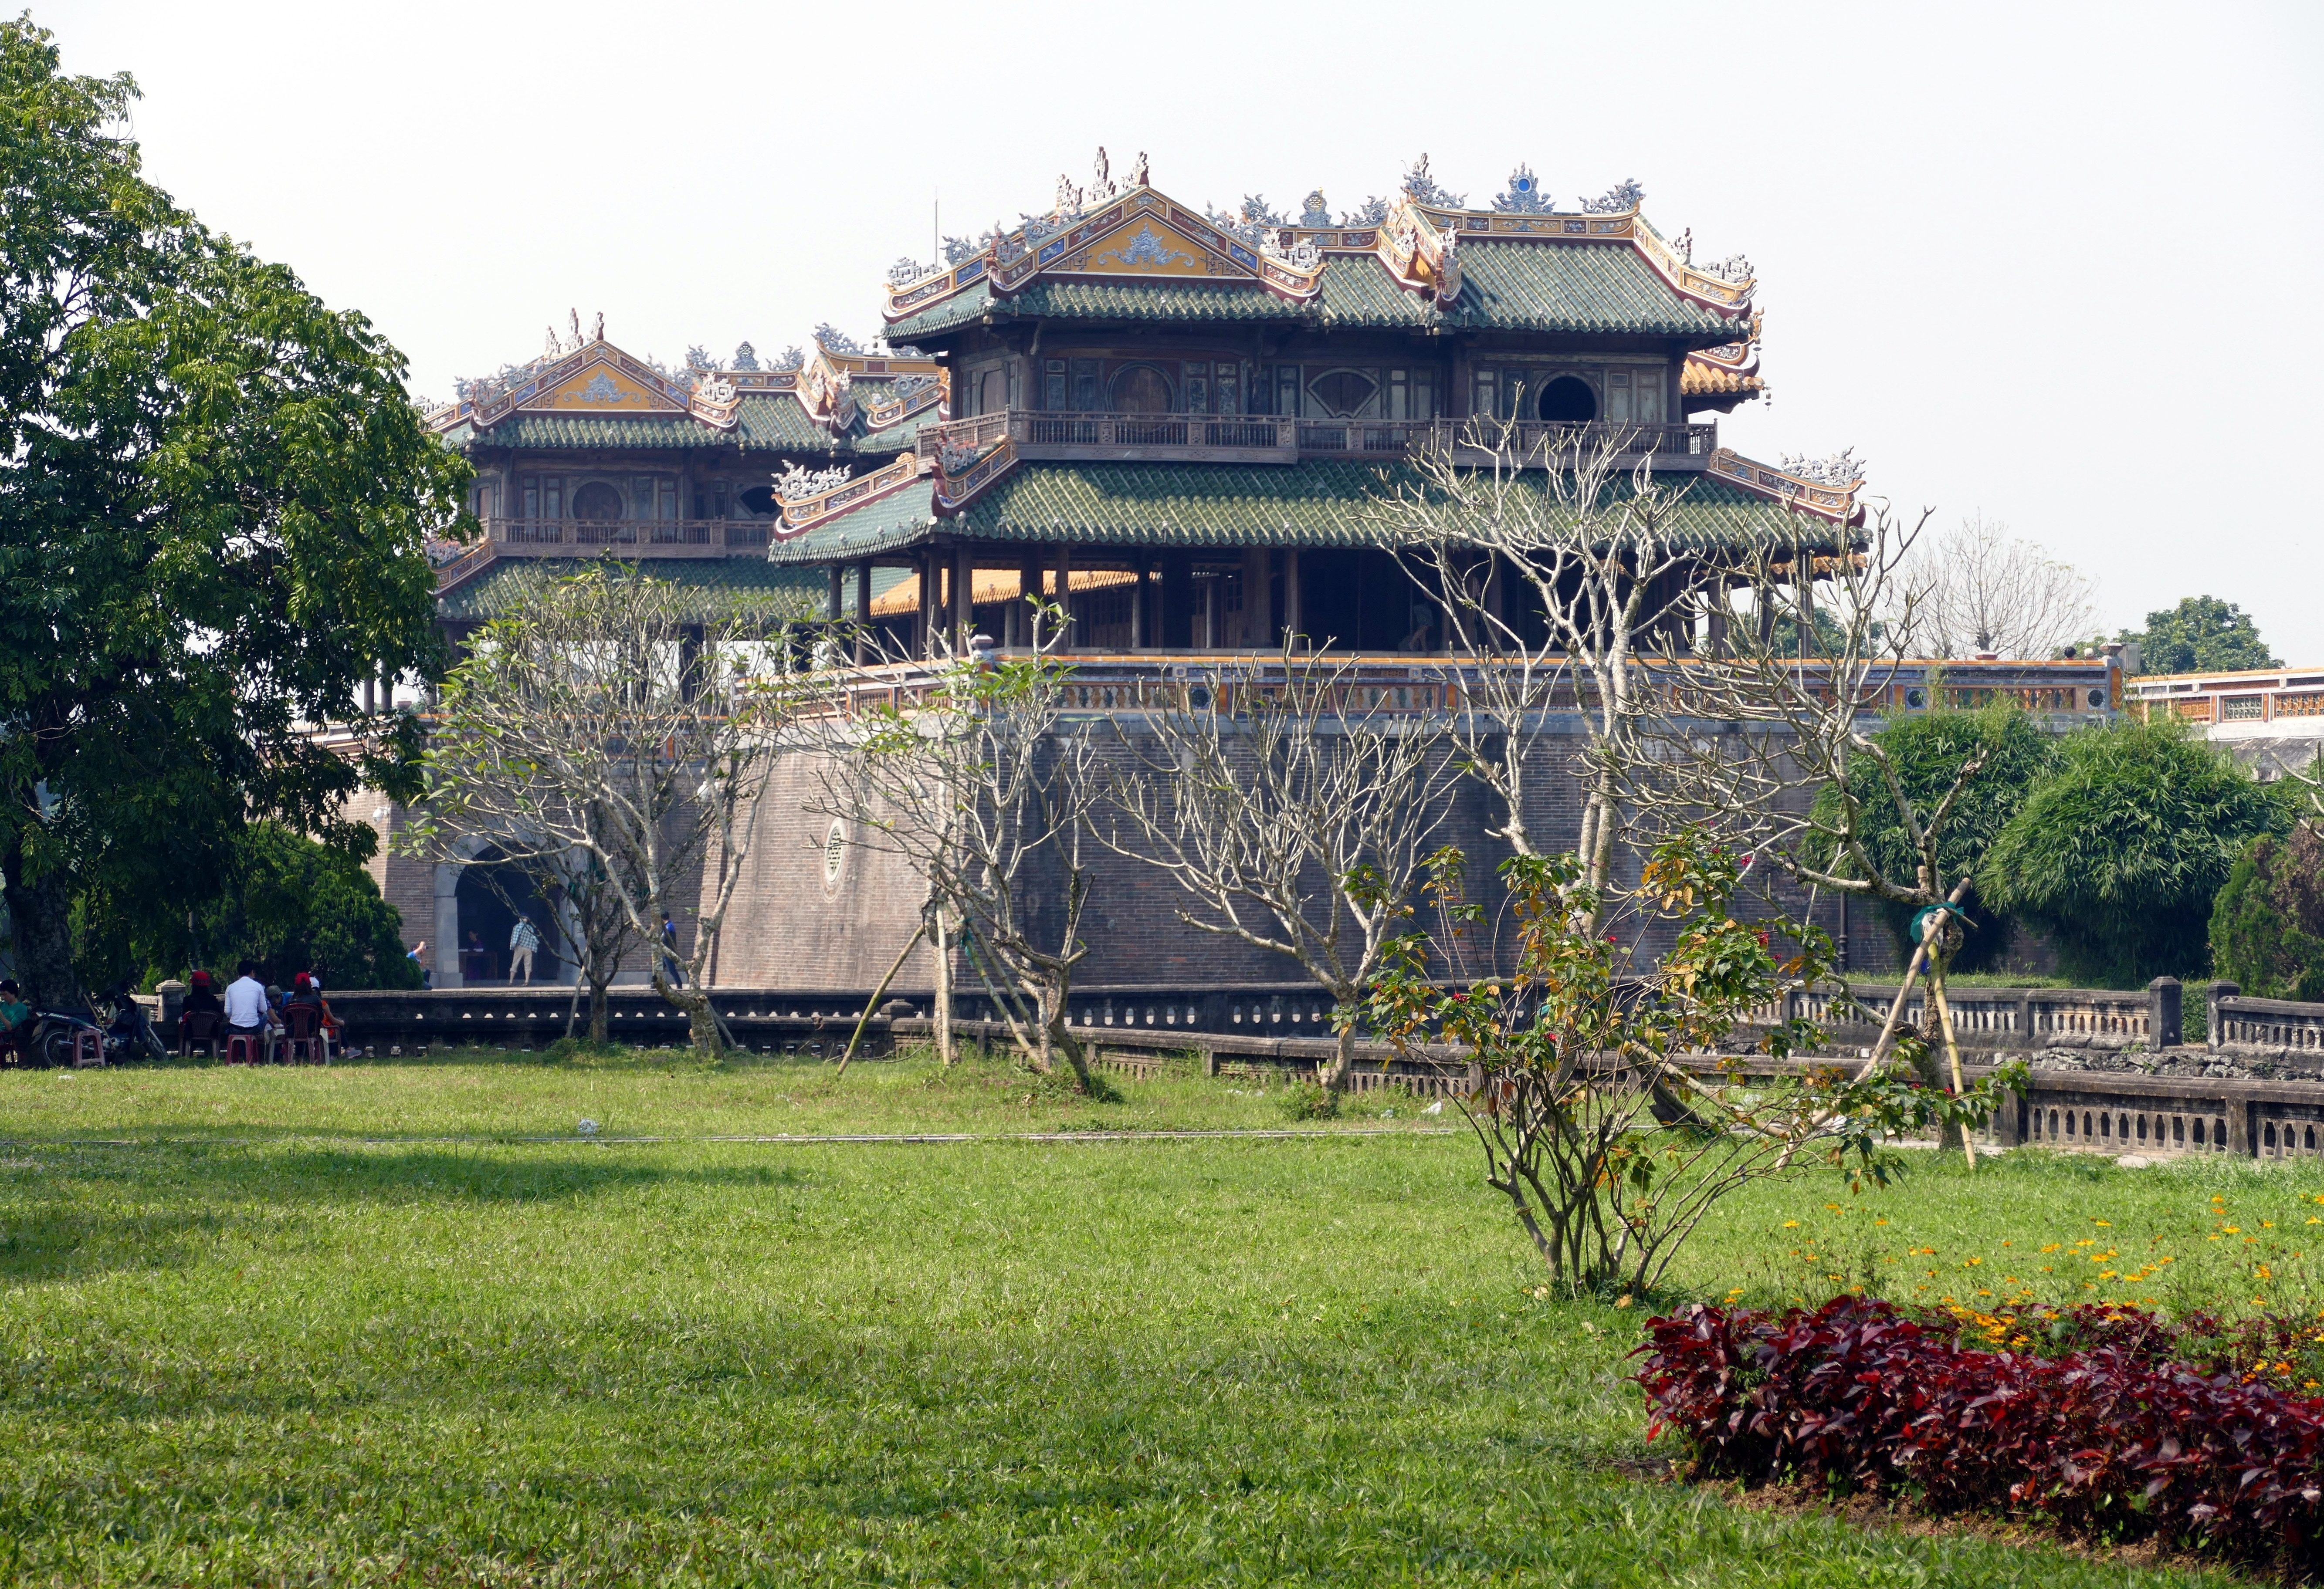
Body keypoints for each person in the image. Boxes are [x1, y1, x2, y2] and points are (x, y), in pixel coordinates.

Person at [224, 959, 276, 1059]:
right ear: (252, 972)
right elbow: (263, 1009)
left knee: (233, 1022)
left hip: (235, 1028)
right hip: (253, 1028)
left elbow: (227, 1012)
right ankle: (254, 1055)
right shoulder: (258, 987)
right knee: (265, 1016)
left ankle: (237, 1056)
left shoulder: (230, 988)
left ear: (238, 973)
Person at [0, 979, 30, 1062]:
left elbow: (10, 1028)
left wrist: (1, 1015)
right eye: (1, 995)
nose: (3, 998)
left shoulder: (21, 1009)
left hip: (4, 1036)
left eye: (5, 995)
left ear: (13, 993)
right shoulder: (2, 1005)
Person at [508, 914, 541, 985]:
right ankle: (527, 981)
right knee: (528, 965)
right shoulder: (530, 928)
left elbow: (515, 938)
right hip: (528, 948)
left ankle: (511, 982)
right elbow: (534, 938)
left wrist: (513, 947)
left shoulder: (517, 927)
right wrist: (536, 945)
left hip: (519, 947)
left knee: (515, 964)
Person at [660, 911, 685, 987]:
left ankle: (679, 985)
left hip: (668, 952)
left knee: (672, 970)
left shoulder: (669, 926)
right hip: (666, 951)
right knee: (659, 968)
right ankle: (654, 984)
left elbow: (664, 939)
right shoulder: (669, 925)